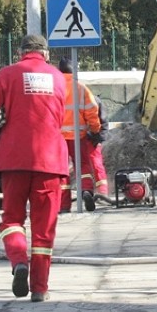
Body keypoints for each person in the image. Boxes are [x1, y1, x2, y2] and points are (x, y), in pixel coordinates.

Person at [0, 34, 67, 303]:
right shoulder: (58, 79)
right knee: (44, 229)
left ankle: (19, 262)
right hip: (50, 161)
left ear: (20, 52)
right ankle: (40, 288)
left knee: (12, 220)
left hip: (15, 159)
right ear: (46, 54)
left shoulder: (5, 76)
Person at [57, 57, 102, 212]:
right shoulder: (81, 88)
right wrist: (95, 130)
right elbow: (92, 110)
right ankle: (87, 191)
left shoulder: (54, 88)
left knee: (61, 170)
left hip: (58, 138)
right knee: (82, 165)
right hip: (79, 136)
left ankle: (63, 205)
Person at [88, 94, 110, 197]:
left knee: (92, 164)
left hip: (89, 138)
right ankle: (101, 191)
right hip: (91, 137)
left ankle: (99, 191)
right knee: (96, 164)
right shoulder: (94, 99)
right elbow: (104, 120)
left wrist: (99, 138)